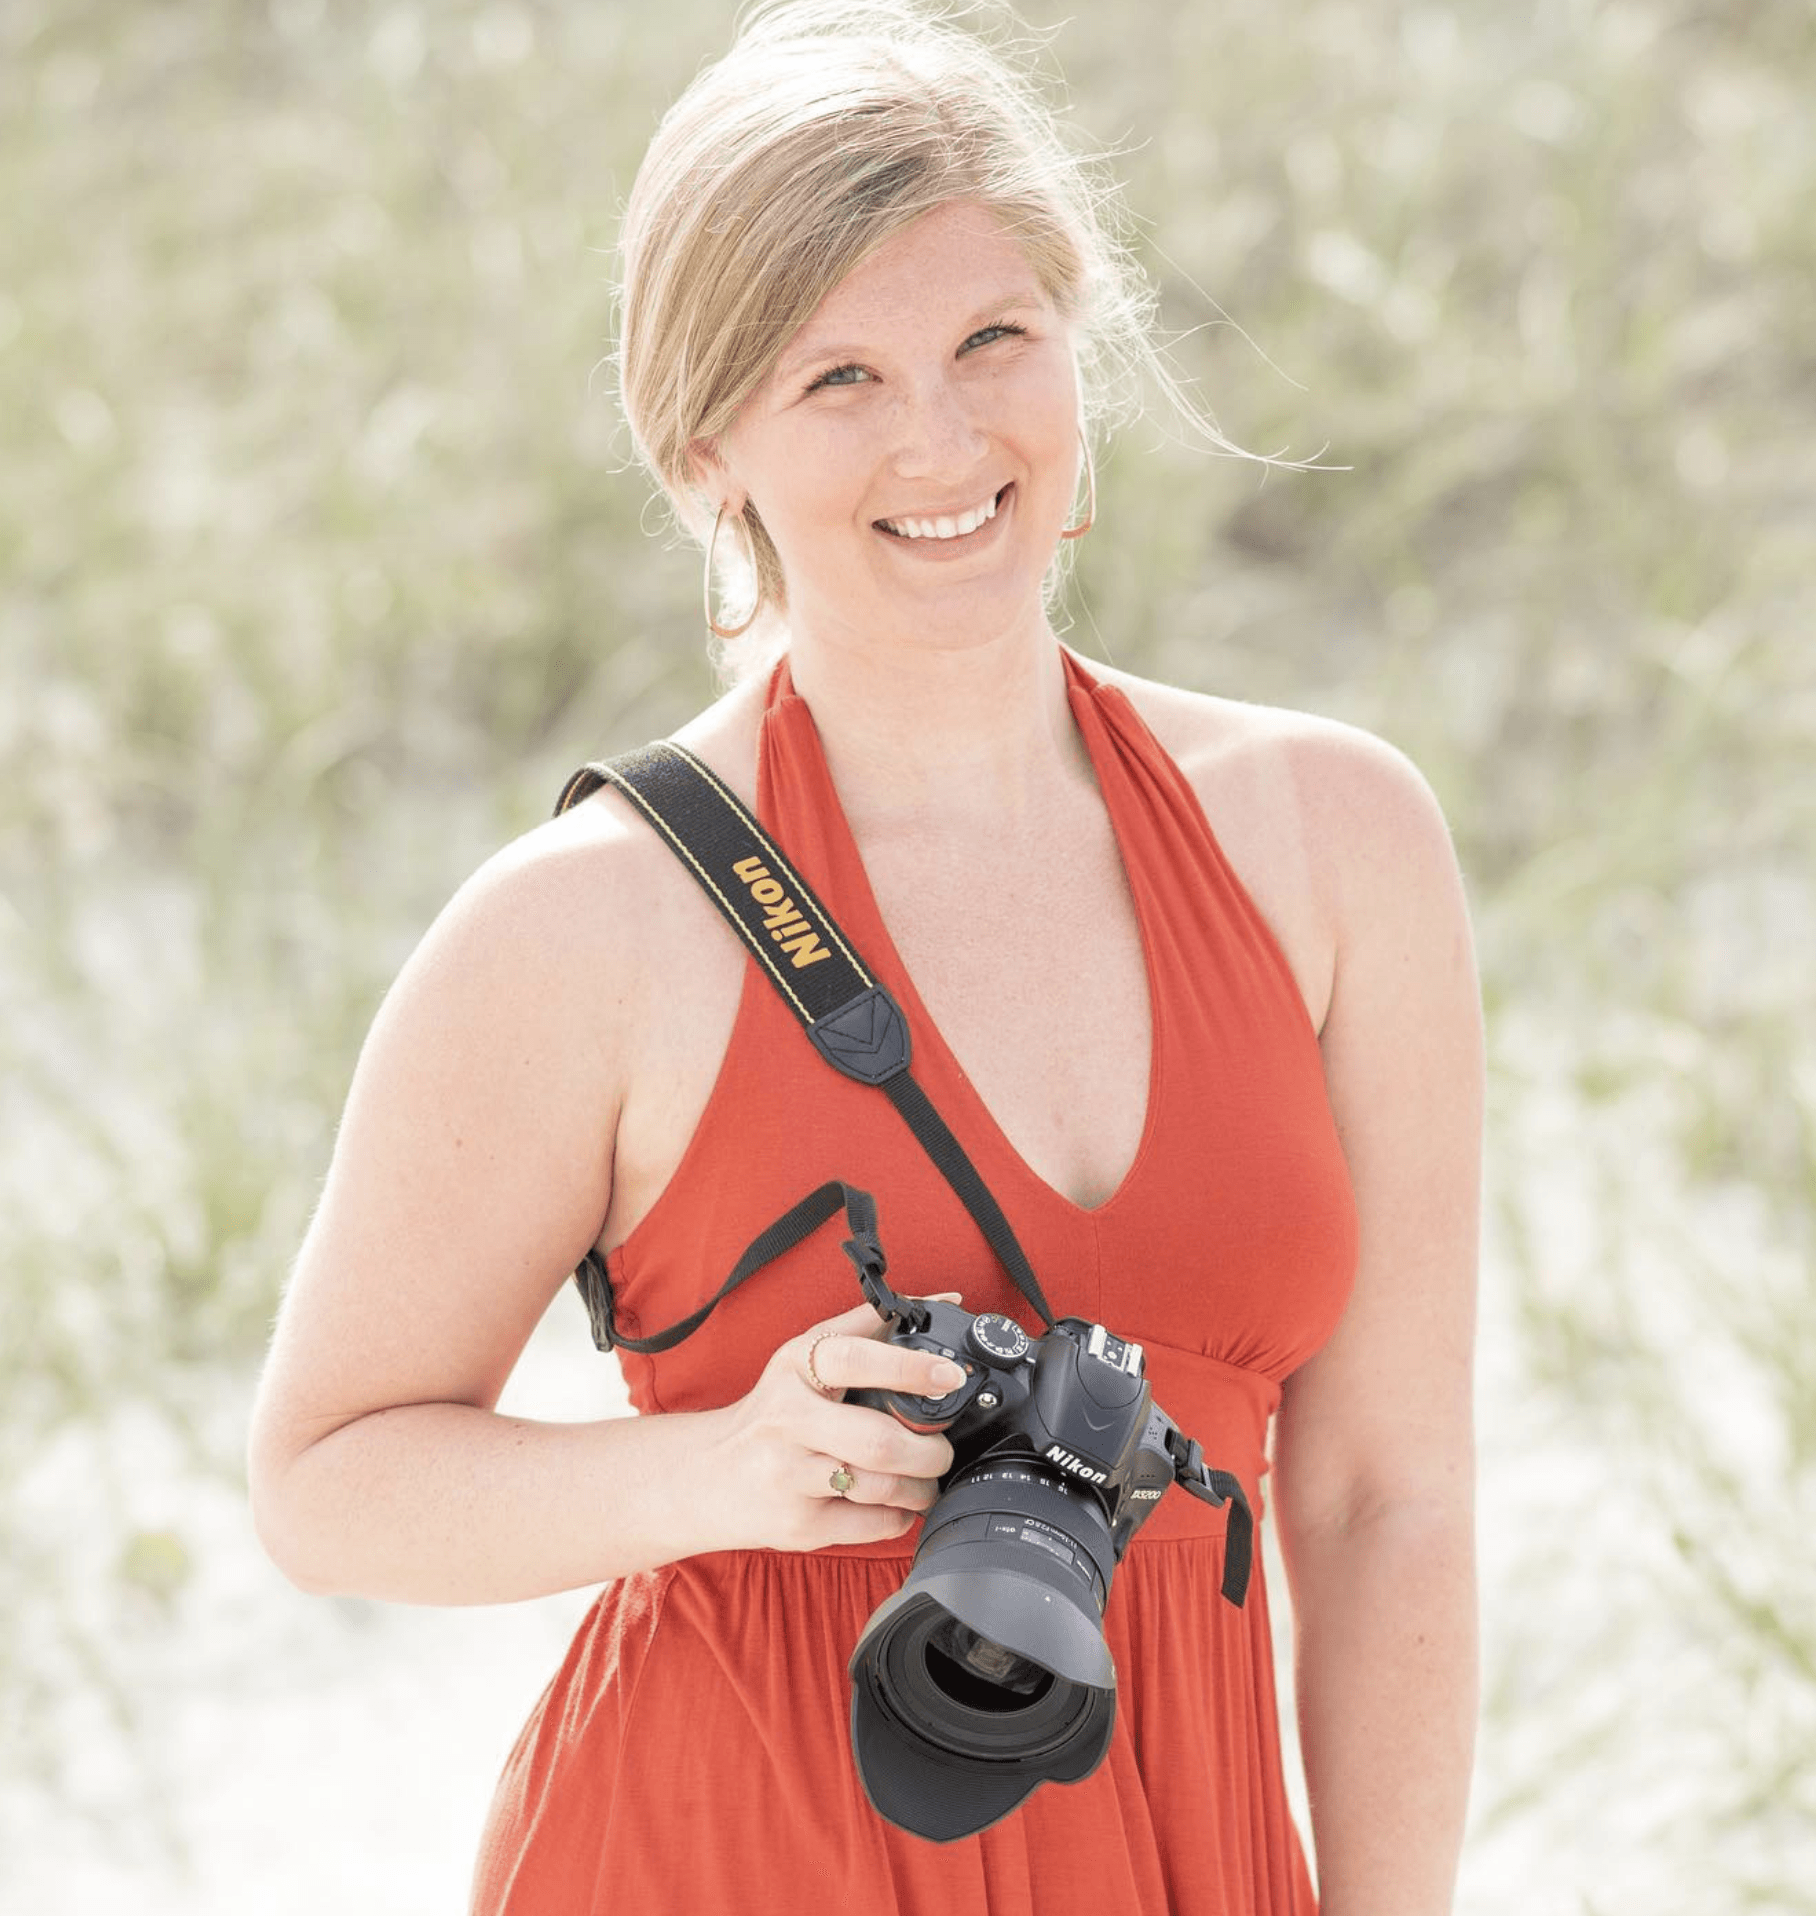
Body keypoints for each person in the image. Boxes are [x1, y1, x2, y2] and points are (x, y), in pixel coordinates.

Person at [247, 2, 1481, 1911]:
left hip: (1188, 1858)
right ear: (704, 445)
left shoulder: (1338, 841)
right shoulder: (588, 924)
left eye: (995, 338)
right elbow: (324, 1479)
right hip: (719, 1851)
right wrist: (719, 1473)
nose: (941, 436)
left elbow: (1383, 1502)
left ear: (1083, 343)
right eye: (838, 377)